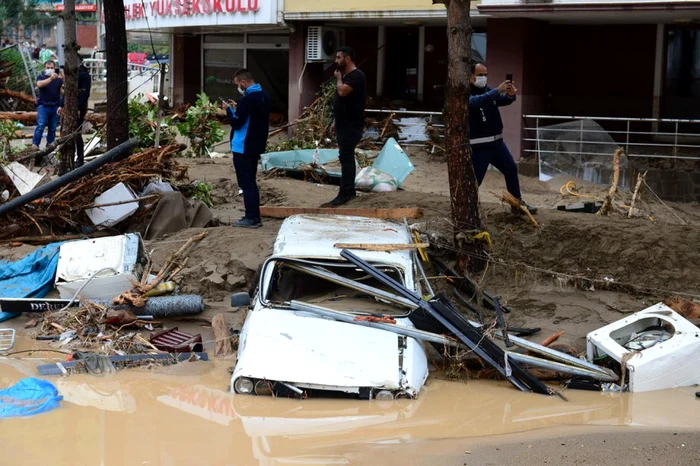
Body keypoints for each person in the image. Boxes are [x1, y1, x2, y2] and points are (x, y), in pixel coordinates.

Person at [469, 62, 537, 214]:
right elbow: (474, 102)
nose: (484, 78)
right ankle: (468, 208)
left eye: (486, 75)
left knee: (511, 169)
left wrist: (510, 96)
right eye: (480, 75)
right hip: (480, 147)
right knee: (476, 180)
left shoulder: (487, 91)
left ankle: (517, 204)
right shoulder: (466, 93)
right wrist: (496, 92)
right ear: (470, 76)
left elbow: (500, 100)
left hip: (497, 143)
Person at [224, 69, 271, 229]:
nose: (238, 87)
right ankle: (253, 215)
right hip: (256, 146)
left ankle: (252, 218)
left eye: (238, 84)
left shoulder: (248, 100)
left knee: (246, 183)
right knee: (251, 181)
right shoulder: (264, 96)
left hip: (243, 146)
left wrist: (228, 111)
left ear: (243, 82)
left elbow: (236, 122)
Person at [325, 46, 366, 207]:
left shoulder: (356, 76)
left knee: (346, 157)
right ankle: (348, 190)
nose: (336, 61)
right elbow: (341, 102)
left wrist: (338, 78)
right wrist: (336, 121)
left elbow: (342, 92)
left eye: (338, 58)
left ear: (347, 59)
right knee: (344, 156)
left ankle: (346, 192)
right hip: (343, 124)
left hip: (352, 125)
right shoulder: (348, 76)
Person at [31, 60, 63, 154]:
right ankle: (35, 144)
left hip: (55, 106)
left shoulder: (58, 79)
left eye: (52, 68)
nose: (50, 69)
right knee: (41, 125)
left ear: (54, 68)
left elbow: (64, 90)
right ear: (44, 68)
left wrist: (61, 74)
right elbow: (39, 84)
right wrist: (51, 79)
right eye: (48, 68)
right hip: (43, 105)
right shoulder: (41, 77)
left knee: (52, 128)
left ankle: (50, 145)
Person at [75, 59, 92, 167]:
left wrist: (78, 107)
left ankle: (80, 159)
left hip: (79, 107)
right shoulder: (71, 73)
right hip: (69, 107)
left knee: (77, 133)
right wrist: (61, 104)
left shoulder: (84, 75)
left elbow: (85, 94)